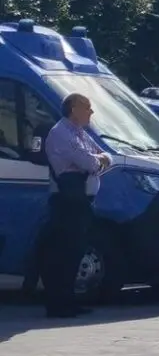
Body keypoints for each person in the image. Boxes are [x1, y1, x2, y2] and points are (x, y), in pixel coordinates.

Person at [39, 93, 112, 318]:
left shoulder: (79, 133)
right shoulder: (61, 134)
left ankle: (68, 302)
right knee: (63, 254)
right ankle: (58, 305)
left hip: (81, 203)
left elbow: (107, 157)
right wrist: (97, 161)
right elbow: (91, 162)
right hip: (67, 204)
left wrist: (99, 160)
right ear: (73, 109)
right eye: (87, 107)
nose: (91, 112)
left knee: (75, 253)